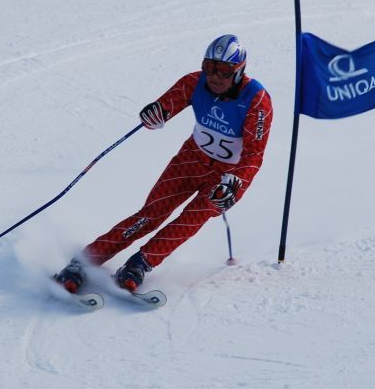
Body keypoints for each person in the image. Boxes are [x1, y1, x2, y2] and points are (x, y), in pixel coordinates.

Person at [54, 34, 273, 293]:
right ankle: (85, 260)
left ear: (238, 71)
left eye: (223, 70)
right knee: (151, 214)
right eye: (209, 66)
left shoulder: (256, 100)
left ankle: (140, 264)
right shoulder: (194, 82)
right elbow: (164, 107)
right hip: (190, 159)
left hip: (226, 175)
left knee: (191, 219)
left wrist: (235, 184)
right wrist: (154, 114)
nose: (214, 76)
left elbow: (253, 155)